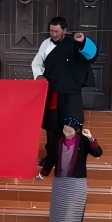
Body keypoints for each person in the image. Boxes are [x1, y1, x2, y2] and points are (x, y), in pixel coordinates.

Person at [31, 17, 99, 159]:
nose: (53, 34)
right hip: (53, 91)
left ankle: (72, 154)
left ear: (65, 30)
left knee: (71, 124)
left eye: (56, 31)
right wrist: (39, 75)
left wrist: (83, 41)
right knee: (52, 125)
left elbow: (92, 56)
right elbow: (36, 63)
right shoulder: (46, 44)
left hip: (71, 92)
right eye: (51, 30)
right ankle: (51, 156)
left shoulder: (75, 44)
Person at [37, 119, 103, 222]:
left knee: (74, 213)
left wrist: (90, 137)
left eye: (70, 131)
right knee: (57, 212)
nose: (66, 133)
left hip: (76, 182)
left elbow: (98, 153)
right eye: (64, 130)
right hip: (60, 181)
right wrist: (43, 174)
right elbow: (51, 158)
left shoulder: (83, 140)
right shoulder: (57, 140)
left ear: (77, 130)